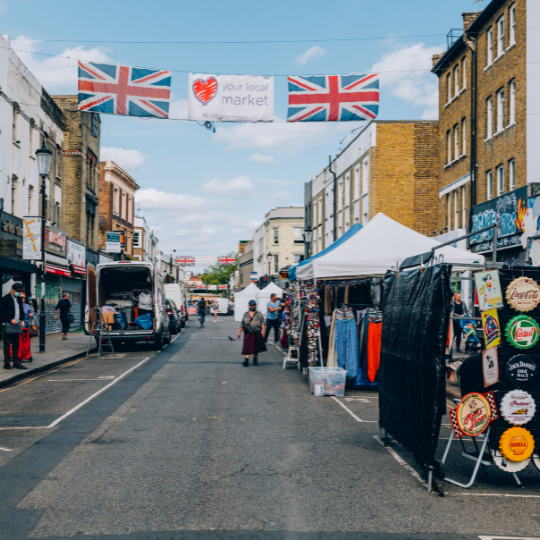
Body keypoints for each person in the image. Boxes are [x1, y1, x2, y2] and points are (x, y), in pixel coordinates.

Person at [0, 282, 26, 370]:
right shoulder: (5, 298)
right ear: (12, 290)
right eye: (17, 291)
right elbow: (1, 312)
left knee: (16, 344)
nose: (18, 293)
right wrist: (10, 319)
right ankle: (7, 363)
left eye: (20, 291)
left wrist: (22, 320)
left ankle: (16, 362)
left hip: (17, 324)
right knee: (7, 344)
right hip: (7, 324)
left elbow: (21, 310)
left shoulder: (18, 298)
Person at [237, 299, 266, 366]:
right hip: (248, 333)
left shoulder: (259, 314)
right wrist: (239, 333)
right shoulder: (246, 314)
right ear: (249, 306)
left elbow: (262, 323)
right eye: (252, 305)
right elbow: (242, 324)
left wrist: (263, 330)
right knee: (247, 346)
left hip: (257, 333)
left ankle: (255, 360)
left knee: (256, 347)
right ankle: (246, 361)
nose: (253, 306)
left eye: (254, 305)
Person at [18, 292, 34, 363]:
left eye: (24, 297)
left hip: (26, 326)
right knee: (19, 342)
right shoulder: (16, 305)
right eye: (21, 297)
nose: (23, 298)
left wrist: (31, 314)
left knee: (27, 341)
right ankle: (19, 355)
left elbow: (32, 313)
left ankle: (27, 355)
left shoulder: (27, 306)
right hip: (18, 326)